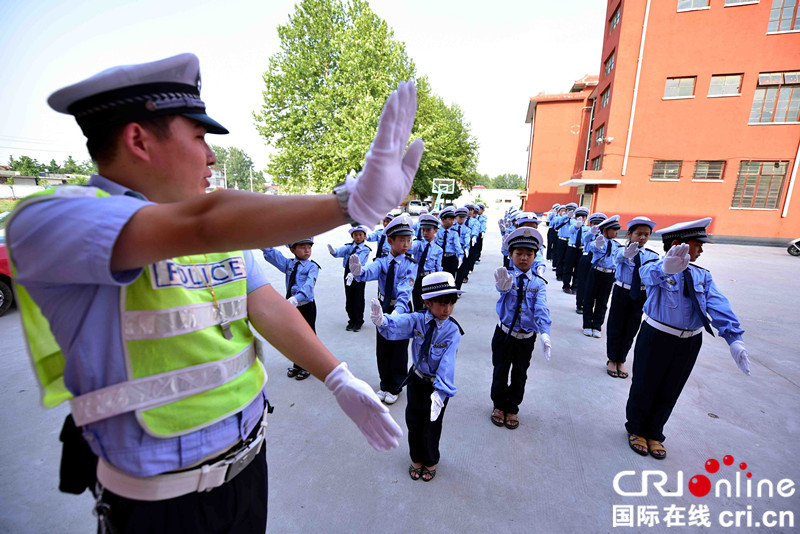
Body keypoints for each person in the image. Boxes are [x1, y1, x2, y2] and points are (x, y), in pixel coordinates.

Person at [6, 53, 420, 533]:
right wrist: (347, 204)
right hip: (161, 506)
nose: (212, 156)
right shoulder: (54, 220)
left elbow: (265, 304)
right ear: (138, 139)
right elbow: (204, 226)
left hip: (246, 472)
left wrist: (338, 378)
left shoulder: (206, 225)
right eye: (199, 137)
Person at [625, 218, 750, 460]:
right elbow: (644, 275)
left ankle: (654, 432)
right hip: (657, 336)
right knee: (645, 385)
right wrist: (665, 268)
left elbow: (717, 304)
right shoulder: (655, 265)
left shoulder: (702, 275)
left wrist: (733, 338)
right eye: (697, 244)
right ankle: (636, 428)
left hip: (689, 341)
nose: (701, 249)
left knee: (671, 388)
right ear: (677, 244)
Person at [370, 271, 464, 482]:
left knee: (432, 424)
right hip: (417, 380)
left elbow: (448, 363)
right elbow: (400, 323)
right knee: (414, 420)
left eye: (451, 303)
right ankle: (416, 458)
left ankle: (430, 460)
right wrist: (382, 321)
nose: (447, 309)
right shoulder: (418, 320)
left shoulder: (452, 331)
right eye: (441, 303)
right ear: (427, 302)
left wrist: (441, 392)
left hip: (438, 387)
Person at [348, 215, 418, 405]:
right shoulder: (382, 261)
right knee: (383, 348)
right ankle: (385, 383)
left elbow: (405, 291)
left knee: (398, 349)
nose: (406, 244)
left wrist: (397, 314)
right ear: (390, 241)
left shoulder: (410, 264)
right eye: (401, 240)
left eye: (408, 240)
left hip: (400, 309)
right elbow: (370, 270)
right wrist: (358, 272)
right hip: (383, 307)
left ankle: (396, 386)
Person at [490, 228, 552, 430]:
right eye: (519, 253)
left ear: (536, 256)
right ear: (510, 255)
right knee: (500, 370)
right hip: (504, 333)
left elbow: (541, 307)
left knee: (520, 373)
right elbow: (502, 290)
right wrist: (503, 288)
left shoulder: (539, 283)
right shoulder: (505, 276)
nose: (524, 258)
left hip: (526, 337)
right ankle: (499, 405)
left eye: (529, 254)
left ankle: (513, 407)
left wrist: (545, 333)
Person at [604, 217, 659, 379]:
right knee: (616, 325)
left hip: (640, 294)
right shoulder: (620, 250)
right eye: (638, 234)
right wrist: (627, 253)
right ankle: (612, 358)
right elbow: (617, 258)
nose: (642, 238)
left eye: (646, 235)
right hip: (622, 291)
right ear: (629, 234)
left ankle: (621, 359)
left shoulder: (651, 255)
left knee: (631, 327)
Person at [263, 238, 320, 380]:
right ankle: (298, 363)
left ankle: (309, 365)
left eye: (309, 247)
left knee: (307, 336)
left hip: (305, 305)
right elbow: (274, 256)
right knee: (294, 335)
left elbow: (309, 285)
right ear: (292, 250)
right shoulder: (290, 264)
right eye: (302, 247)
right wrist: (263, 244)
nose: (307, 250)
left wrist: (297, 298)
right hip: (292, 305)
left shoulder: (312, 267)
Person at [582, 215, 622, 338]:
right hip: (596, 272)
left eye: (617, 230)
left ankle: (597, 325)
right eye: (614, 230)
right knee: (589, 298)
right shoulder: (598, 241)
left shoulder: (617, 245)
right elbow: (593, 247)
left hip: (609, 274)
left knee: (602, 301)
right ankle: (587, 324)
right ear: (605, 231)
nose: (616, 232)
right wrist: (597, 245)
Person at [328, 225, 372, 331]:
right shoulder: (349, 247)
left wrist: (354, 272)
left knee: (358, 298)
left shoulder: (365, 250)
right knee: (349, 298)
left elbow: (359, 260)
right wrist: (334, 251)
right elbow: (340, 251)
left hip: (359, 275)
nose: (358, 237)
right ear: (352, 236)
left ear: (365, 236)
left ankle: (358, 321)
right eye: (355, 235)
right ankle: (351, 319)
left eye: (360, 234)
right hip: (347, 273)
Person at [409, 214, 444, 311]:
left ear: (435, 230)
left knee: (430, 305)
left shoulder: (438, 249)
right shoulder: (418, 244)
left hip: (430, 279)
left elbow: (438, 267)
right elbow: (410, 249)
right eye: (423, 230)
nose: (425, 233)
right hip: (418, 278)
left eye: (428, 230)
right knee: (417, 303)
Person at [574, 212, 606, 315]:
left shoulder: (605, 235)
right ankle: (580, 304)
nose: (597, 226)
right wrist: (592, 232)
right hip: (586, 257)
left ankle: (589, 305)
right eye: (594, 223)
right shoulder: (587, 230)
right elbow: (584, 239)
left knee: (593, 284)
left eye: (599, 224)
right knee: (582, 282)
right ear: (590, 224)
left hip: (598, 260)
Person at [561, 206, 589, 294]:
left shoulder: (587, 228)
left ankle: (575, 287)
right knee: (568, 267)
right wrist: (577, 226)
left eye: (583, 217)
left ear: (586, 218)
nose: (582, 219)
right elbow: (571, 231)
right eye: (579, 216)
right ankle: (566, 285)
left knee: (578, 268)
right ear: (576, 217)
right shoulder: (573, 225)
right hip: (571, 248)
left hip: (581, 249)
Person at [435, 207, 463, 277]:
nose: (452, 222)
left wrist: (460, 256)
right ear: (443, 219)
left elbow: (457, 246)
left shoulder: (454, 232)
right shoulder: (437, 231)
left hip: (451, 258)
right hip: (439, 258)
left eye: (453, 220)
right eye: (450, 219)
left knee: (450, 279)